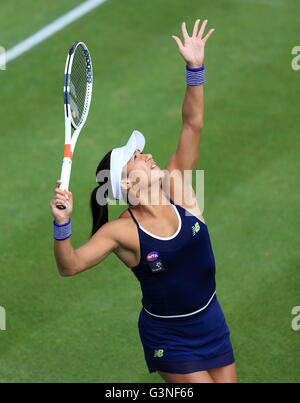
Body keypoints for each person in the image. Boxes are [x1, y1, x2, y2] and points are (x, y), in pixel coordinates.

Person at [50, 19, 237, 383]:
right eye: (138, 156)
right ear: (126, 182)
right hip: (169, 337)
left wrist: (195, 68)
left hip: (211, 318)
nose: (148, 155)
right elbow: (69, 266)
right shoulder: (122, 231)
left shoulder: (178, 187)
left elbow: (192, 125)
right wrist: (62, 226)